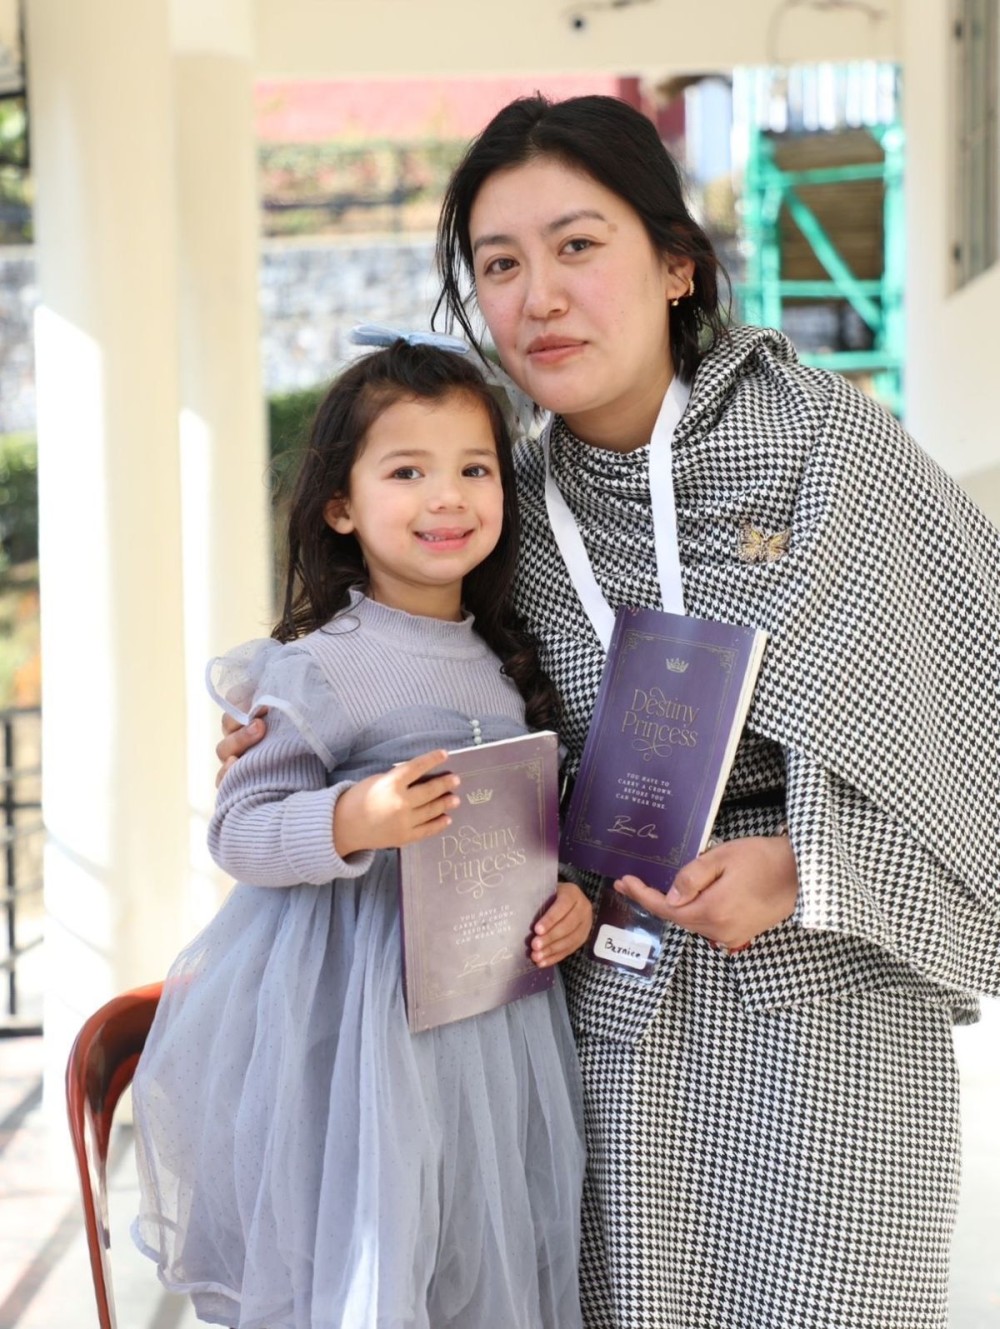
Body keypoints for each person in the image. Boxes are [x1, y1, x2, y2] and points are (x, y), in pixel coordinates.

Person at [218, 94, 1000, 1329]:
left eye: (578, 246)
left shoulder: (827, 446)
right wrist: (286, 727)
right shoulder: (503, 504)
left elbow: (976, 710)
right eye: (499, 264)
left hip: (825, 1020)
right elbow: (403, 670)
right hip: (597, 1029)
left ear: (675, 263)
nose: (538, 296)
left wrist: (805, 865)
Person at [131, 339, 593, 1329]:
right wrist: (355, 818)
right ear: (341, 505)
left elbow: (519, 836)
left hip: (487, 1027)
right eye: (406, 472)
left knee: (472, 1257)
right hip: (356, 1031)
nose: (448, 498)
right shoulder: (318, 667)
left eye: (474, 469)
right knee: (373, 1262)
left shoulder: (506, 661)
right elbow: (242, 831)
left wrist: (566, 901)